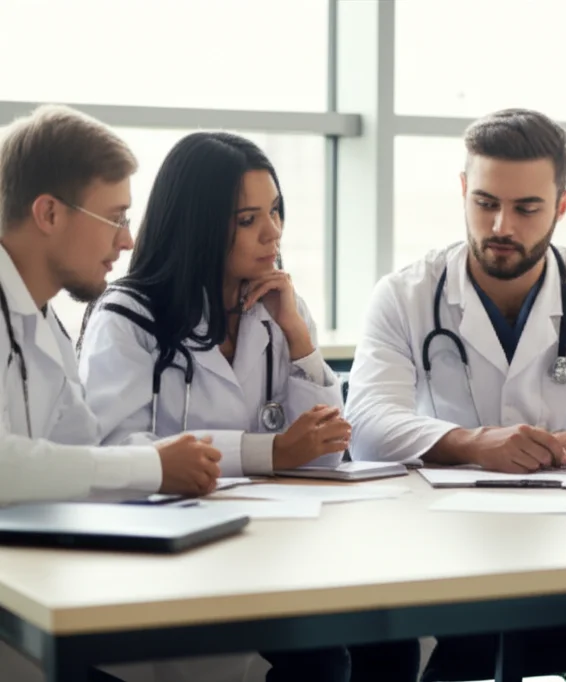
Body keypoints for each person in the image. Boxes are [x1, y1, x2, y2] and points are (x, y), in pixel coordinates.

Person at [345, 108, 566, 681]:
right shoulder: (405, 294)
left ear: (563, 205)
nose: (502, 225)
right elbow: (369, 424)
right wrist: (474, 443)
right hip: (435, 547)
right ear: (462, 191)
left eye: (527, 208)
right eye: (485, 203)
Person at [77, 132, 416, 682]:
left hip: (274, 551)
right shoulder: (127, 317)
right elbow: (112, 456)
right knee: (322, 661)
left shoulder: (279, 307)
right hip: (174, 565)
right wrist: (271, 450)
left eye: (276, 211)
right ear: (198, 224)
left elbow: (325, 455)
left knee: (391, 644)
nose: (273, 232)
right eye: (247, 219)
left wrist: (299, 337)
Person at [0, 106, 223, 681]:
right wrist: (151, 468)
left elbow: (83, 449)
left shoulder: (47, 324)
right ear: (48, 212)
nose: (126, 240)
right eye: (115, 217)